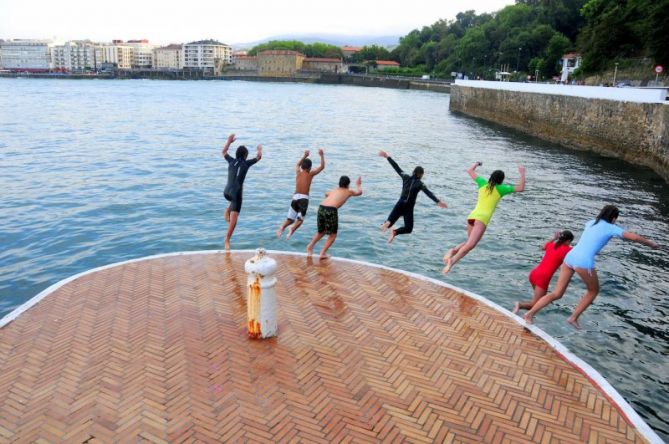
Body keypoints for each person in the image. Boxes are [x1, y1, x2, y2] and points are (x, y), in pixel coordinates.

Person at [523, 205, 658, 329]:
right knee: (593, 291)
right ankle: (573, 317)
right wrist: (651, 244)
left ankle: (529, 314)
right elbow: (634, 237)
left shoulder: (590, 223)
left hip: (570, 257)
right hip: (583, 261)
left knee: (556, 293)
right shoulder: (612, 228)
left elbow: (592, 239)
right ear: (614, 218)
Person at [443, 162, 526, 274]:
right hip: (481, 220)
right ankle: (451, 261)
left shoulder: (482, 183)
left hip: (472, 216)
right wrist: (522, 174)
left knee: (468, 242)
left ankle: (452, 251)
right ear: (501, 180)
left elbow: (470, 170)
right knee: (471, 245)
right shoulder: (501, 189)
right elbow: (520, 188)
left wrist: (477, 163)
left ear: (491, 177)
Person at [378, 150, 447, 243]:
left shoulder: (405, 176)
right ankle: (395, 232)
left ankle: (388, 223)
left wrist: (387, 157)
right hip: (408, 207)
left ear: (413, 172)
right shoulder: (420, 184)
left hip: (400, 203)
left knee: (389, 222)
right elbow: (428, 193)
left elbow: (396, 167)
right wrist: (438, 202)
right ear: (421, 175)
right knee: (408, 228)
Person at [512, 230, 574, 314]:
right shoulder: (568, 250)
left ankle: (529, 316)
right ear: (568, 241)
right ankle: (519, 305)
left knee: (541, 300)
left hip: (534, 274)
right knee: (536, 304)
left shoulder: (552, 245)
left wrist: (554, 238)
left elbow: (542, 247)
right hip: (543, 277)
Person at [221, 133, 262, 250]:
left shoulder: (231, 161)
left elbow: (224, 151)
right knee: (234, 221)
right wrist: (259, 150)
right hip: (235, 195)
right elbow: (259, 157)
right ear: (245, 155)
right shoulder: (246, 163)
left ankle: (228, 210)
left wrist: (229, 141)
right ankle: (227, 240)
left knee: (239, 186)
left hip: (226, 192)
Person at [306, 176, 363, 259]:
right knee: (333, 235)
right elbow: (359, 192)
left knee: (321, 231)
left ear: (339, 183)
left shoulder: (334, 190)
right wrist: (358, 184)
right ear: (348, 184)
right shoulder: (349, 191)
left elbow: (326, 194)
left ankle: (310, 246)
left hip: (321, 208)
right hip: (331, 210)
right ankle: (322, 253)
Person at [276, 149, 325, 239]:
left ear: (302, 166)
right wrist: (321, 155)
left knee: (290, 219)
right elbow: (322, 167)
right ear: (310, 168)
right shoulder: (310, 174)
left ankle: (282, 227)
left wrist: (304, 156)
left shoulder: (298, 173)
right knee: (300, 220)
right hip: (303, 199)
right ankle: (292, 229)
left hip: (295, 198)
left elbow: (297, 164)